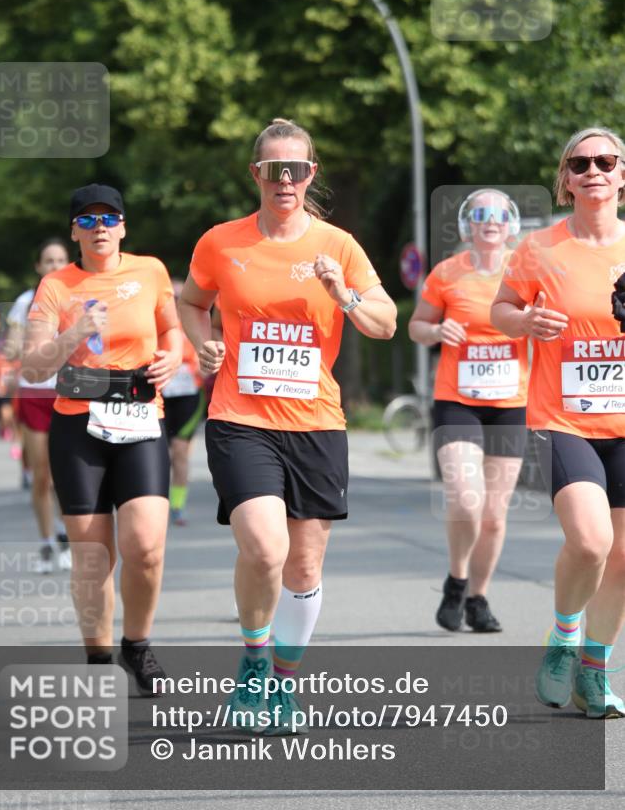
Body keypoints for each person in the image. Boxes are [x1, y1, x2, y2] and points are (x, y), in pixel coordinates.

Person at [180, 118, 397, 734]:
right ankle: (253, 662)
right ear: (256, 174)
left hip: (316, 422)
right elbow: (191, 302)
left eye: (295, 169)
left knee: (303, 567)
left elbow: (384, 322)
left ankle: (282, 682)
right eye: (273, 169)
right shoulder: (222, 242)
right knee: (265, 547)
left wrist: (344, 295)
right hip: (240, 417)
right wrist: (204, 343)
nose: (284, 180)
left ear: (310, 174)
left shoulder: (339, 246)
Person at [22, 184, 181, 695]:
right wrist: (74, 333)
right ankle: (97, 656)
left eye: (108, 218)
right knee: (94, 557)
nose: (99, 229)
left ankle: (137, 645)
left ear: (123, 226)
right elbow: (34, 364)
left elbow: (173, 331)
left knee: (146, 547)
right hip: (79, 424)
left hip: (139, 417)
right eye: (87, 221)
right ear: (74, 232)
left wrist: (173, 357)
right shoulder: (55, 287)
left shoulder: (151, 271)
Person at [492, 127, 625, 719]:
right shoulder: (539, 249)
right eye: (581, 162)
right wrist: (526, 325)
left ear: (622, 175)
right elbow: (502, 308)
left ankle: (594, 672)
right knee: (592, 541)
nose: (594, 169)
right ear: (566, 179)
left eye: (606, 160)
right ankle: (564, 637)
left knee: (622, 558)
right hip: (563, 417)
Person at [409, 190, 529, 633]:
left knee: (495, 517)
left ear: (511, 223)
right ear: (468, 224)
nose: (490, 221)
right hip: (457, 401)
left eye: (499, 214)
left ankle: (478, 597)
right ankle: (457, 579)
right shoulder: (448, 273)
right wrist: (438, 328)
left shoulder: (527, 270)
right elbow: (416, 327)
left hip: (510, 403)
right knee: (466, 499)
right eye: (480, 213)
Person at [5, 238, 71, 573]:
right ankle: (47, 543)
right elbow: (13, 349)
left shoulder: (77, 297)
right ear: (38, 267)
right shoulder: (25, 302)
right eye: (48, 261)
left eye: (60, 260)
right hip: (34, 394)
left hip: (69, 391)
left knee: (66, 475)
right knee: (42, 475)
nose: (55, 266)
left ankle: (66, 534)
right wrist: (16, 344)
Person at [162, 279, 206, 525]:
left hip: (189, 396)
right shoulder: (157, 324)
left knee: (179, 451)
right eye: (173, 298)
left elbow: (206, 355)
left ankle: (177, 506)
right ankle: (156, 504)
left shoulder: (194, 323)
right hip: (161, 397)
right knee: (160, 455)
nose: (177, 303)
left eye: (181, 298)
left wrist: (203, 364)